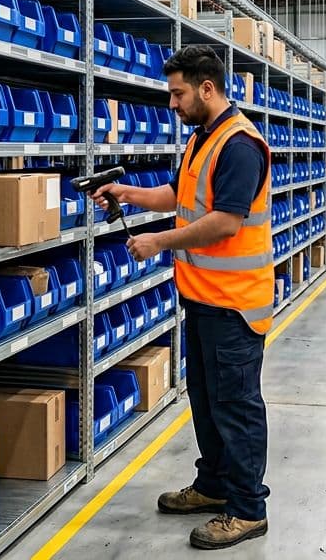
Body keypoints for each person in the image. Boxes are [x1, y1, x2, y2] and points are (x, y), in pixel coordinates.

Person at [93, 45, 272, 550]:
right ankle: (214, 486)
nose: (171, 103)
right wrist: (126, 193)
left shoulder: (240, 145)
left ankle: (247, 509)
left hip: (234, 303)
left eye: (178, 93)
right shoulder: (201, 139)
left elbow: (225, 221)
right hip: (201, 298)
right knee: (207, 402)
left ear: (207, 88)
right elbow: (179, 197)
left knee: (235, 407)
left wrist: (158, 242)